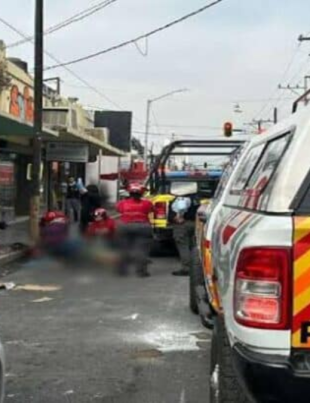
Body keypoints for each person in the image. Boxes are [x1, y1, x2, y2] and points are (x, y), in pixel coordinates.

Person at [116, 183, 153, 277]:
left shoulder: (122, 203)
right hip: (142, 226)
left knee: (123, 249)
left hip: (125, 226)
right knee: (142, 250)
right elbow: (151, 210)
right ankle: (141, 271)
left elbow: (119, 210)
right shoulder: (147, 203)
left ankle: (121, 270)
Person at [168, 193, 200, 276]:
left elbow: (180, 208)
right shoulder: (195, 199)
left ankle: (187, 268)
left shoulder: (181, 199)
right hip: (194, 223)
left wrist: (178, 217)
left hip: (182, 225)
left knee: (183, 246)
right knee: (193, 246)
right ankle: (197, 267)